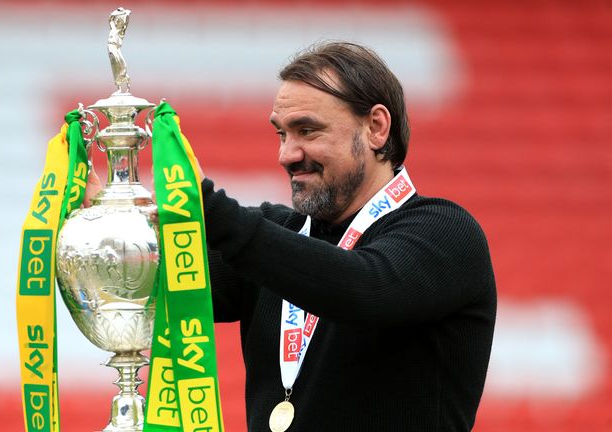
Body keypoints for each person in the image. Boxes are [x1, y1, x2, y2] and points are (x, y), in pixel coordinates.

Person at [201, 42, 496, 431]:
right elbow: (144, 285)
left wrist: (214, 214)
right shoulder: (274, 239)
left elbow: (365, 287)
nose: (287, 154)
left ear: (376, 127)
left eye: (307, 130)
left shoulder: (445, 232)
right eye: (282, 134)